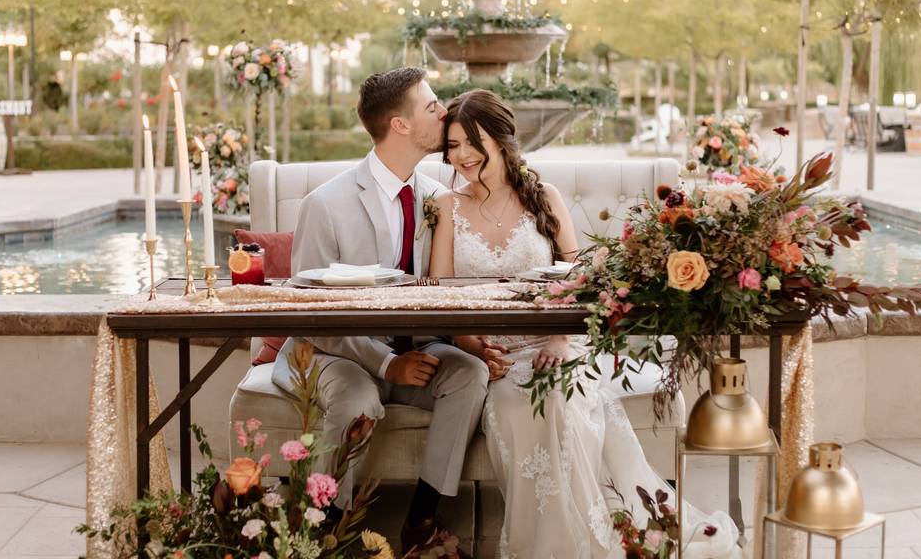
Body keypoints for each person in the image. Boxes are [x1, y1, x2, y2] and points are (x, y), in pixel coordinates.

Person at [429, 89, 740, 559]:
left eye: (471, 141)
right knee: (519, 407)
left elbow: (579, 282)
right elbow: (442, 296)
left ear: (500, 139)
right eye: (452, 146)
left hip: (555, 343)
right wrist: (474, 347)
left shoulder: (544, 197)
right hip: (495, 359)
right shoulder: (447, 207)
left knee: (559, 397)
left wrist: (558, 337)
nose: (462, 155)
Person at [272, 68, 486, 556]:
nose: (444, 111)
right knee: (355, 401)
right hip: (330, 352)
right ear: (400, 125)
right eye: (431, 106)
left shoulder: (437, 197)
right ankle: (319, 529)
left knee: (468, 374)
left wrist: (463, 340)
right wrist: (389, 364)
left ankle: (422, 521)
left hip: (414, 346)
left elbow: (438, 286)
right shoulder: (325, 205)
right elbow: (310, 315)